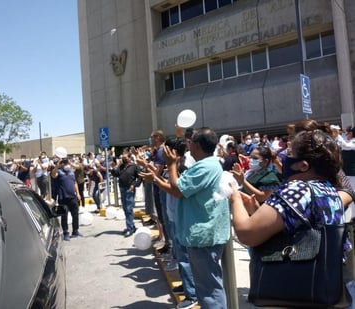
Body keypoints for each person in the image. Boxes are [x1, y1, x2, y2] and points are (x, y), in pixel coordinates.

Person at [229, 130, 347, 299]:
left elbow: (247, 234)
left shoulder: (298, 188)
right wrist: (256, 210)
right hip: (325, 286)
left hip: (296, 290)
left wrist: (235, 200)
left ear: (303, 165)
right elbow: (294, 227)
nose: (283, 158)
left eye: (289, 154)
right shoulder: (329, 189)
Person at [145, 127, 230, 309]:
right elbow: (179, 189)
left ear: (197, 145)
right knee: (206, 286)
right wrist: (156, 179)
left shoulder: (205, 166)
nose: (188, 146)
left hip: (204, 235)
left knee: (209, 289)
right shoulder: (209, 164)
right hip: (204, 234)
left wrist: (171, 165)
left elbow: (178, 190)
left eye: (190, 142)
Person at [110, 151, 142, 237]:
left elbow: (140, 177)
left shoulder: (134, 166)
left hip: (129, 189)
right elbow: (116, 174)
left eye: (125, 157)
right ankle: (132, 226)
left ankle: (129, 228)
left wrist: (134, 185)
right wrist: (113, 168)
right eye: (122, 157)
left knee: (129, 208)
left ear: (129, 157)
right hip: (122, 189)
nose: (124, 159)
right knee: (125, 208)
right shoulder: (121, 166)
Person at [51, 158, 81, 241]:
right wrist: (57, 166)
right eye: (64, 163)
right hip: (62, 198)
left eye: (66, 163)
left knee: (75, 214)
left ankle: (75, 231)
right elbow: (53, 175)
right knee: (64, 216)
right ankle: (65, 232)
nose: (66, 164)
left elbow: (75, 182)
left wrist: (77, 193)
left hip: (72, 197)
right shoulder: (59, 172)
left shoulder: (71, 172)